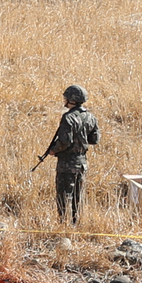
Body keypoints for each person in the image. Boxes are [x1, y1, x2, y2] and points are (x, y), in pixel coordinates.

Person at [44, 84, 100, 224]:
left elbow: (65, 141)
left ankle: (63, 222)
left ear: (72, 100)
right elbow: (95, 139)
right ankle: (75, 222)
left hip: (66, 164)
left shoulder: (68, 117)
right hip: (82, 163)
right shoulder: (91, 117)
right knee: (77, 196)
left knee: (63, 195)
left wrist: (53, 150)